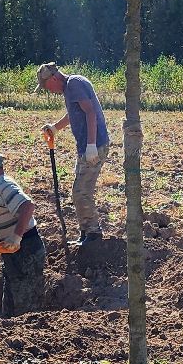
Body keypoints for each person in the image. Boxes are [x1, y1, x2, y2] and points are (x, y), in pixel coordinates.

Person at [36, 62, 111, 242]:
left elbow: (90, 112)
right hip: (87, 146)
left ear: (54, 78)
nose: (49, 91)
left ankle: (93, 233)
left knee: (81, 191)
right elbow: (73, 114)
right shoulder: (70, 88)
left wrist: (91, 145)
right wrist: (55, 128)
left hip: (94, 145)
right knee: (79, 191)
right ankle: (86, 232)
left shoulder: (74, 84)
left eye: (47, 86)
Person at [0, 149, 46, 317]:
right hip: (14, 254)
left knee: (27, 310)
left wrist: (16, 237)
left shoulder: (4, 185)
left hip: (26, 251)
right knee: (9, 307)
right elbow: (9, 219)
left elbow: (28, 206)